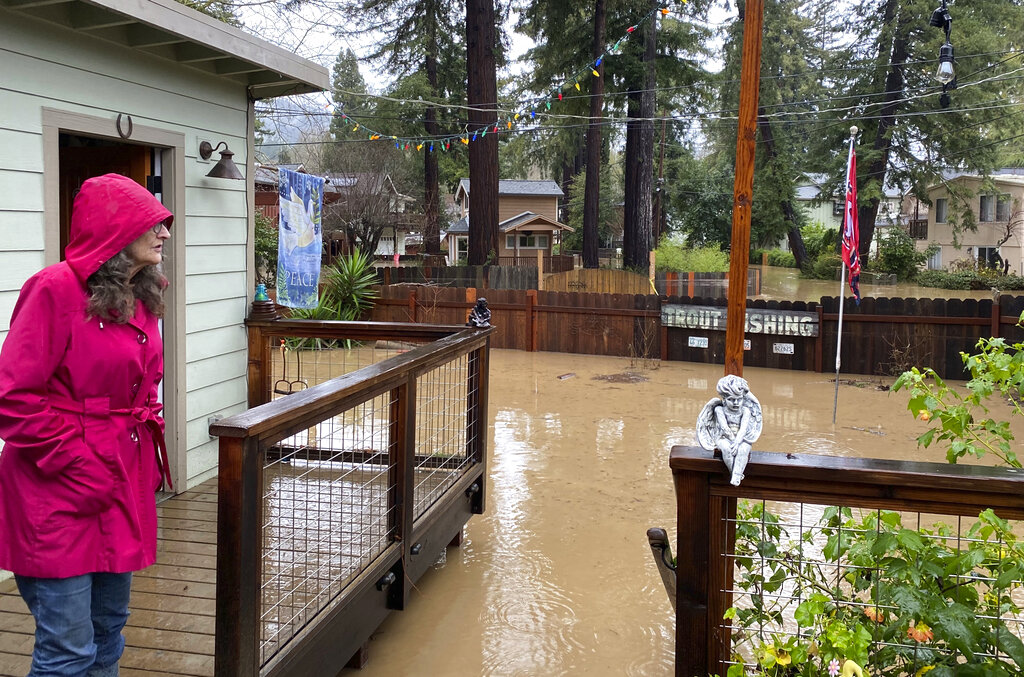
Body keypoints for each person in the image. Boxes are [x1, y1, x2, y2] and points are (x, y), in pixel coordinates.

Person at [0, 173, 173, 676]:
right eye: (153, 223)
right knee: (67, 653)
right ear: (115, 228)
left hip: (120, 480)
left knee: (108, 635)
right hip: (55, 488)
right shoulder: (53, 289)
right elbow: (13, 398)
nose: (164, 232)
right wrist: (78, 463)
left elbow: (144, 383)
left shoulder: (144, 293)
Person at [695, 375, 763, 486]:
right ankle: (735, 474)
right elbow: (724, 427)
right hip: (724, 437)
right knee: (727, 449)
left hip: (740, 438)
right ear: (724, 399)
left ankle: (736, 475)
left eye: (739, 399)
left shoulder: (746, 411)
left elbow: (743, 429)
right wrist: (732, 442)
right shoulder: (719, 410)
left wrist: (737, 442)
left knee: (744, 449)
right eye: (731, 399)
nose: (736, 403)